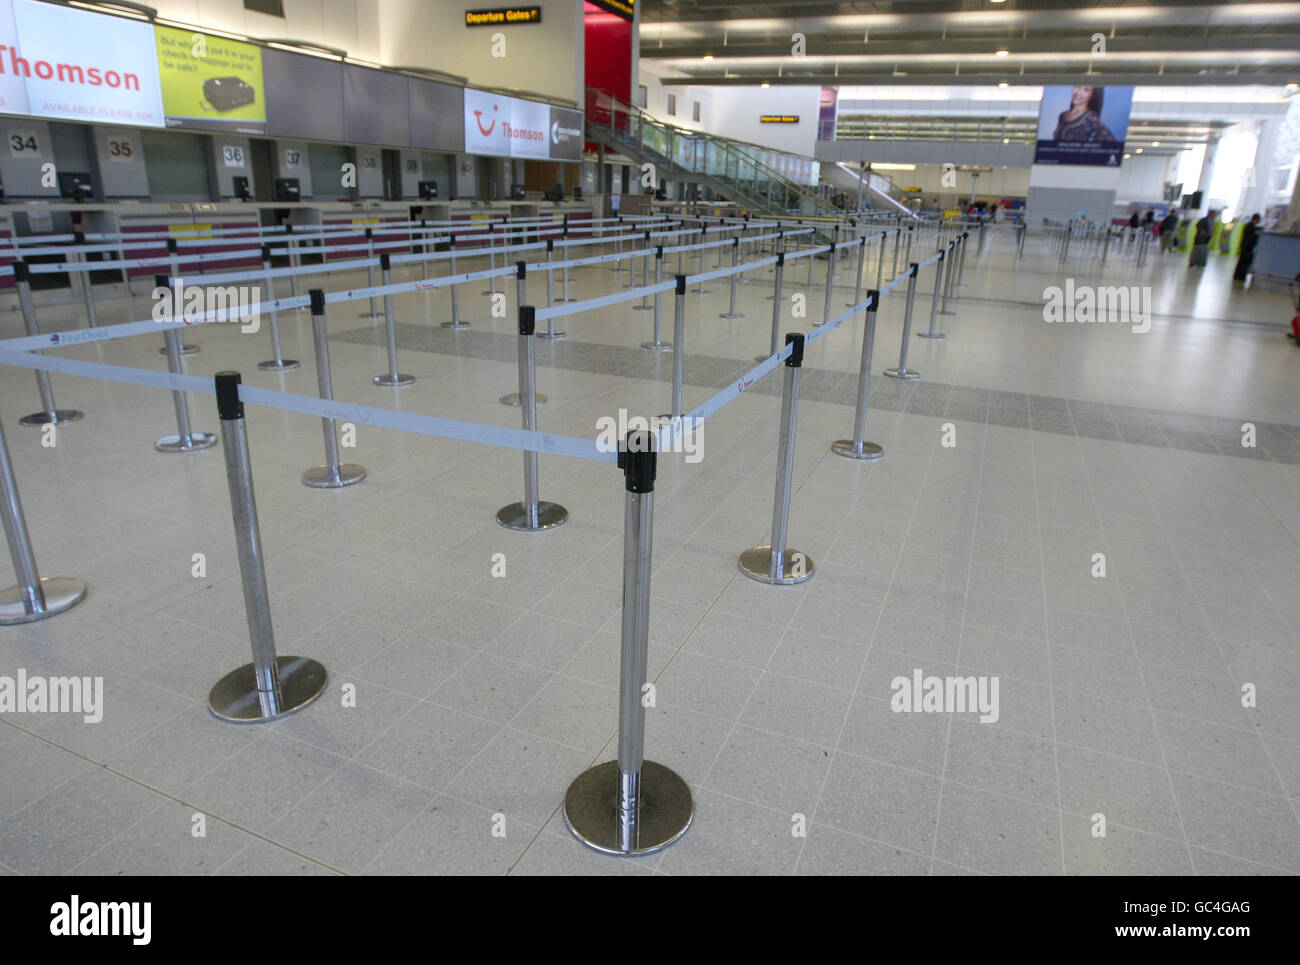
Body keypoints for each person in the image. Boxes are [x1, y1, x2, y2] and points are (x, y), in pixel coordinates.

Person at [1052, 85, 1117, 142]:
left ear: (1092, 94)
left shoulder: (1091, 119)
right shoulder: (1063, 115)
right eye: (1078, 86)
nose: (1079, 93)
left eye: (1086, 90)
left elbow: (1111, 146)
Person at [1233, 213, 1262, 282]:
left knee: (1242, 262)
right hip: (1247, 247)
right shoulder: (1251, 226)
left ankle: (1239, 276)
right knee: (1244, 262)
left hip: (1245, 246)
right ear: (1256, 219)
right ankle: (1240, 276)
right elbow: (1253, 232)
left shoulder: (1250, 225)